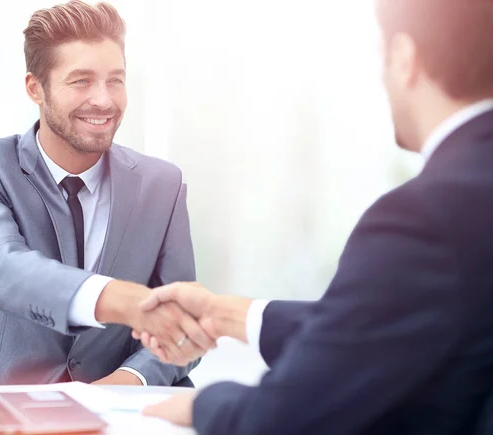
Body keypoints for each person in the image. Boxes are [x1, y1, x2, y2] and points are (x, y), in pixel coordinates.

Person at [136, 0, 493, 433]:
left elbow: (284, 419)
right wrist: (228, 314)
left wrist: (200, 405)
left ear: (404, 59)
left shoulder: (426, 215)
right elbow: (383, 324)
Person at [0, 0, 215, 389]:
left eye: (115, 80)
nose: (104, 100)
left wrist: (129, 379)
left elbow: (183, 329)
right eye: (81, 81)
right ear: (35, 88)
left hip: (110, 412)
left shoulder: (163, 186)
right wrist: (120, 300)